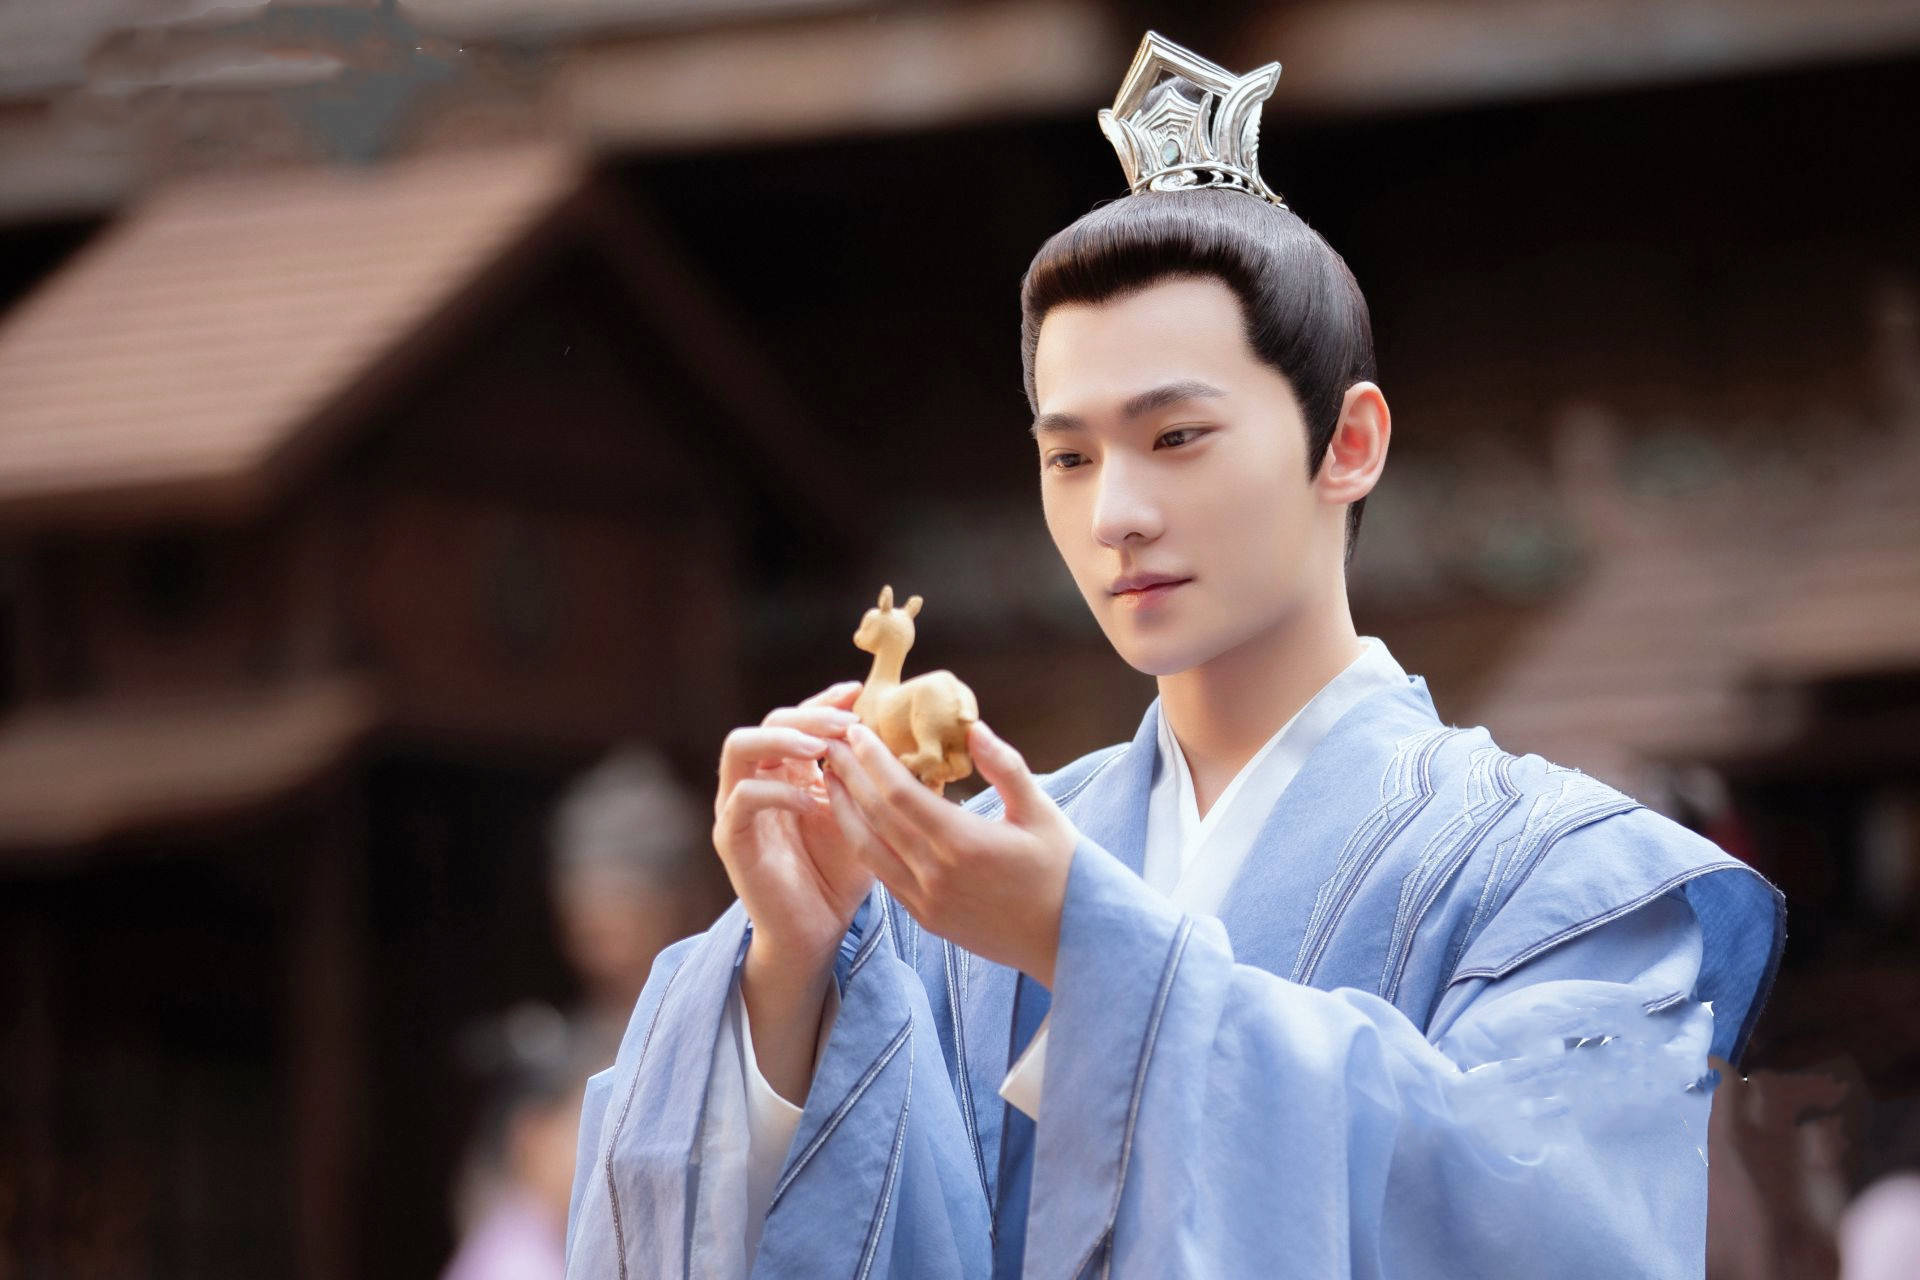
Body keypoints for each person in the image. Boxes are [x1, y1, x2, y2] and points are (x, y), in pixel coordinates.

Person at [565, 32, 1784, 1278]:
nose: (1115, 514)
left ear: (1348, 442)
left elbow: (1555, 1228)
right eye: (1070, 455)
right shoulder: (957, 881)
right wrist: (793, 970)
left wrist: (1086, 946)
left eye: (1178, 436)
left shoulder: (1556, 879)